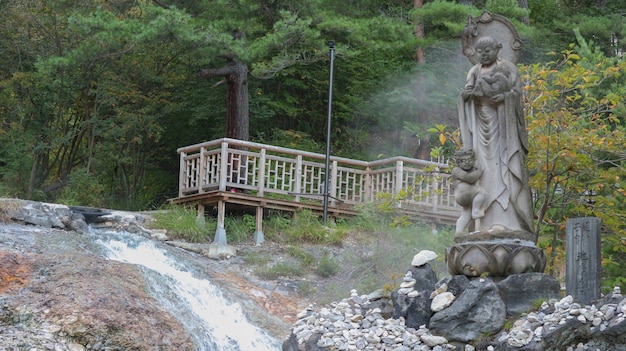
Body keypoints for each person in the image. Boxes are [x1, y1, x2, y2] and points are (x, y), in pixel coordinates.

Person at [457, 36, 534, 236]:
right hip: (480, 130)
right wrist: (467, 96)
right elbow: (465, 95)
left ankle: (505, 221)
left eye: (488, 50)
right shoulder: (474, 71)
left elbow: (516, 94)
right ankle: (481, 223)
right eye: (479, 51)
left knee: (503, 174)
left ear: (498, 49)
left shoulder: (507, 68)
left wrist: (505, 98)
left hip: (502, 128)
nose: (483, 54)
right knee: (483, 174)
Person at [452, 148, 486, 234]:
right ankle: (476, 210)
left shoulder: (470, 170)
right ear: (458, 162)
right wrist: (479, 171)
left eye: (469, 160)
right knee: (481, 192)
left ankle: (459, 231)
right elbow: (469, 178)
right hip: (463, 194)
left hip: (466, 196)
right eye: (463, 160)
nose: (467, 162)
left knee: (466, 214)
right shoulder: (456, 171)